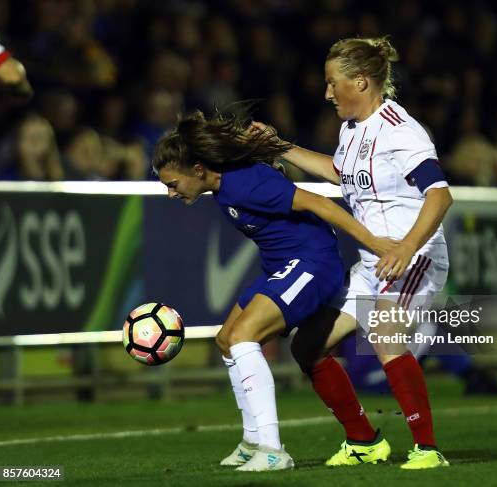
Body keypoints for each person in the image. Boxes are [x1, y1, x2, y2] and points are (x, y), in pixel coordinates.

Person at [152, 107, 397, 472]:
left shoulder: (244, 183)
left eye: (173, 184)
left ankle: (272, 449)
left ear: (198, 170)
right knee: (227, 339)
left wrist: (375, 244)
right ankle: (253, 440)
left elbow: (318, 203)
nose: (171, 194)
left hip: (312, 263)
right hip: (283, 266)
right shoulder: (224, 183)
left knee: (244, 337)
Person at [252, 36, 452, 469]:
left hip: (414, 255)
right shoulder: (352, 128)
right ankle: (363, 441)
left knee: (384, 336)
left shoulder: (401, 129)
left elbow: (439, 195)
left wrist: (408, 246)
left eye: (332, 84)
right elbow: (342, 174)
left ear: (360, 82)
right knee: (308, 348)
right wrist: (278, 146)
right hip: (372, 262)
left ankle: (428, 449)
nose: (326, 94)